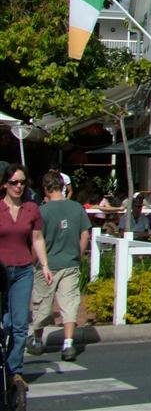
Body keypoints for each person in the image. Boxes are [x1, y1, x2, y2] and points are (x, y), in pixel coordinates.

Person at [0, 163, 53, 396]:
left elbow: (38, 238)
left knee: (19, 325)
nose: (18, 186)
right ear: (4, 184)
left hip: (22, 270)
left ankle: (14, 371)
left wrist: (45, 265)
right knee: (4, 324)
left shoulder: (32, 209)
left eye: (22, 182)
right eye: (13, 182)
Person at [27, 170, 90, 361]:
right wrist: (77, 255)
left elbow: (36, 240)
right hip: (70, 263)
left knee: (42, 304)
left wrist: (32, 262)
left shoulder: (42, 211)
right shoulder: (77, 208)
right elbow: (85, 234)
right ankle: (68, 344)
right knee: (69, 304)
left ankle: (37, 341)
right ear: (63, 187)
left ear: (45, 189)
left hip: (47, 265)